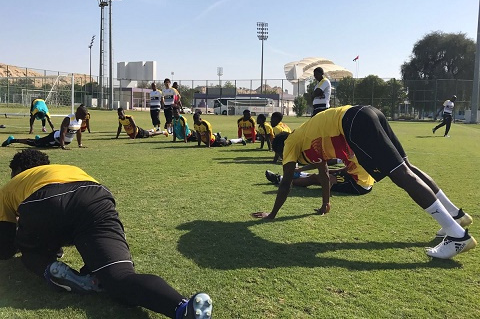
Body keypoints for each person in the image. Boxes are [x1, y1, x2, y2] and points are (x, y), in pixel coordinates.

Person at [0, 149, 213, 318]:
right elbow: (72, 211)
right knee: (119, 277)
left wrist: (25, 239)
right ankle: (183, 308)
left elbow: (5, 247)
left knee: (31, 253)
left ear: (17, 170)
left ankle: (53, 268)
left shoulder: (12, 186)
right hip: (94, 197)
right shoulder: (67, 168)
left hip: (43, 203)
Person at [252, 105, 476, 259]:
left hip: (352, 123)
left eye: (280, 155)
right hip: (365, 112)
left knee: (400, 175)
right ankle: (456, 215)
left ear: (281, 148)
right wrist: (325, 203)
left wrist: (272, 214)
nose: (282, 159)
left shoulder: (289, 143)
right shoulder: (304, 136)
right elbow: (323, 170)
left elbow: (286, 181)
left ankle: (457, 236)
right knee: (407, 168)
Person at [265, 159, 374, 195]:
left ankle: (280, 179)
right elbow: (347, 169)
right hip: (357, 178)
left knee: (316, 178)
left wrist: (301, 168)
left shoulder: (348, 150)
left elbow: (322, 162)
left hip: (358, 185)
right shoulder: (353, 149)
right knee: (322, 175)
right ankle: (292, 176)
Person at [2, 105, 88, 150]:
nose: (86, 117)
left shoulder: (80, 120)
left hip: (61, 142)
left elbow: (79, 132)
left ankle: (40, 139)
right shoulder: (68, 119)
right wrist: (63, 146)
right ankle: (12, 140)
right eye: (84, 115)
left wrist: (80, 145)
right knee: (35, 144)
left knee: (41, 144)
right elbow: (63, 133)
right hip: (55, 138)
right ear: (79, 113)